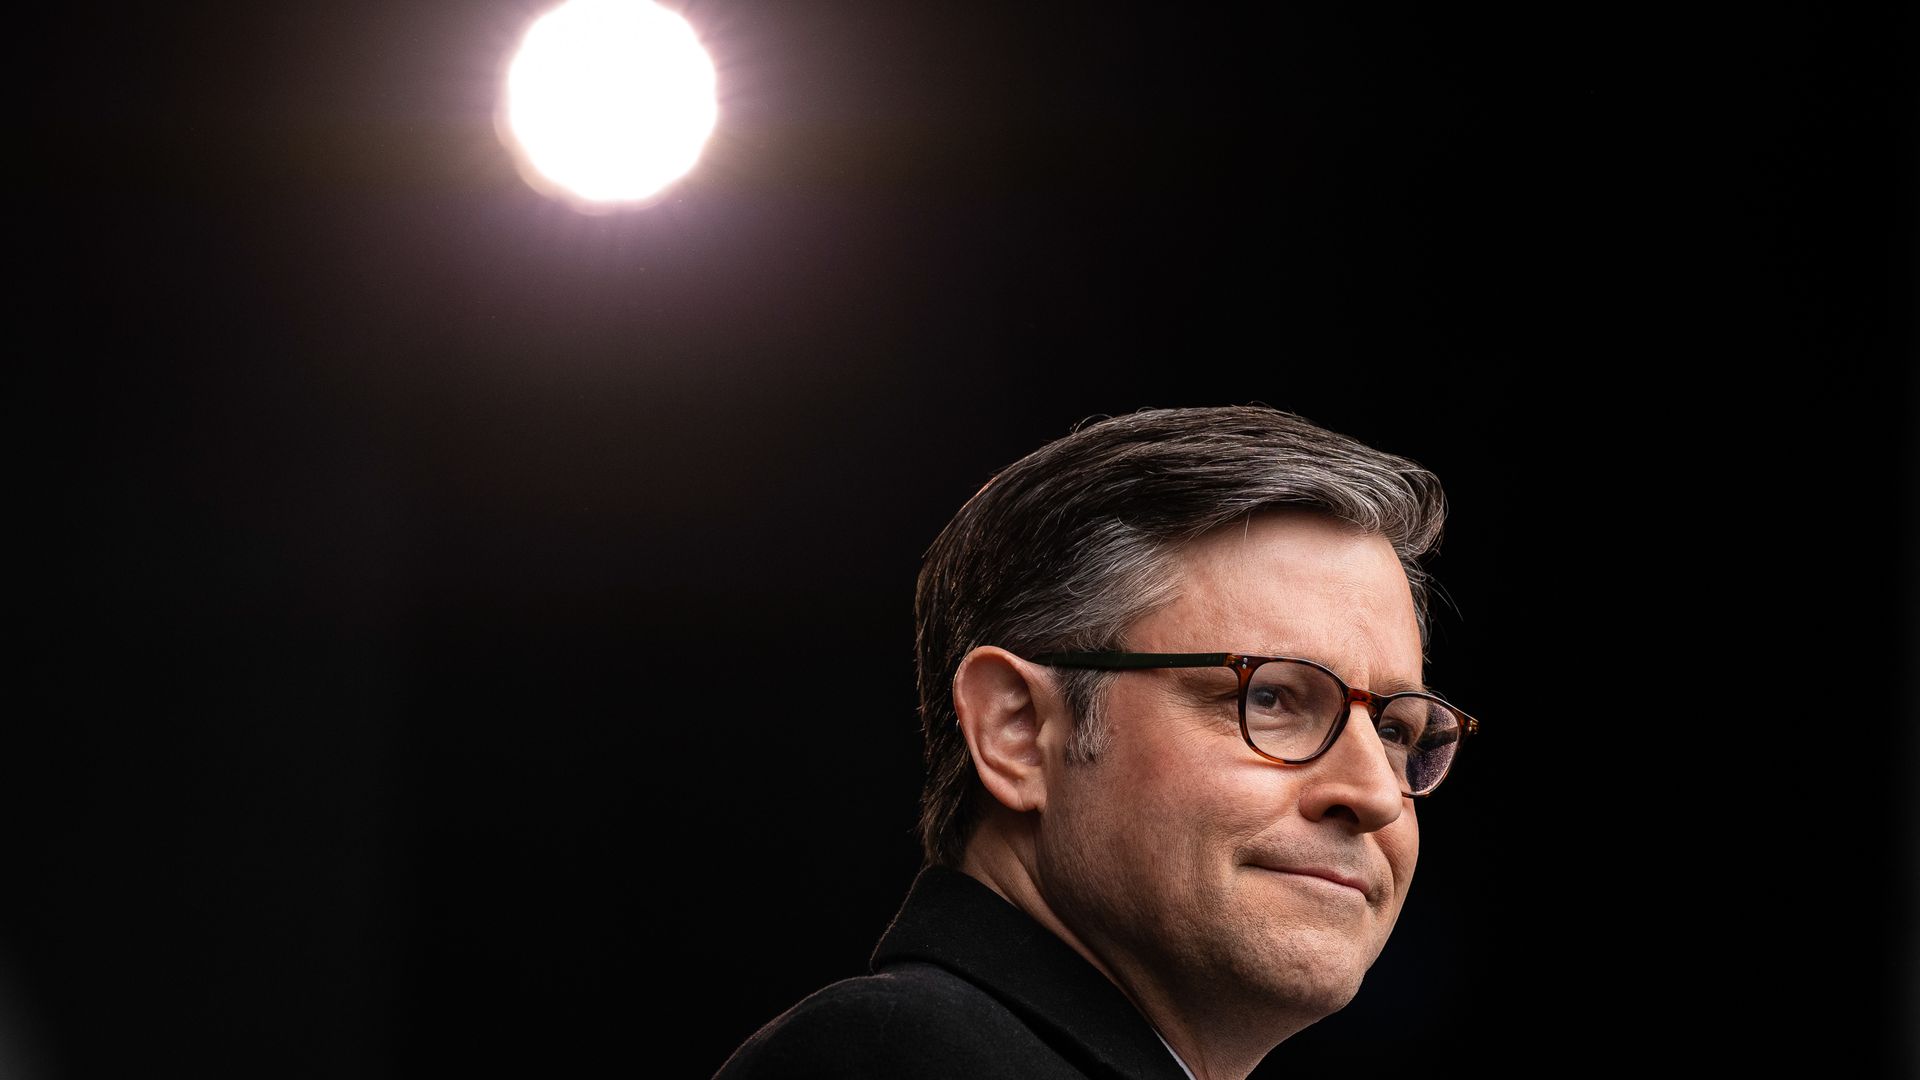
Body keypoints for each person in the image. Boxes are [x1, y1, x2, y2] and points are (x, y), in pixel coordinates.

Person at [712, 405, 1479, 1080]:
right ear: (1017, 731)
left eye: (1392, 729)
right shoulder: (886, 1059)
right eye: (1271, 697)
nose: (1377, 795)